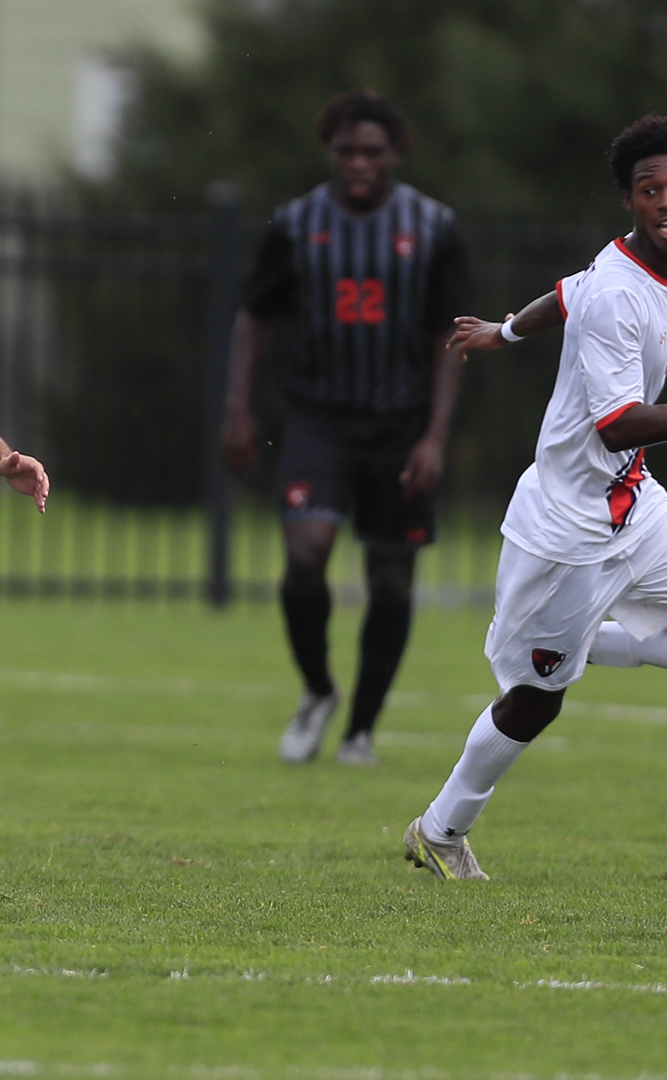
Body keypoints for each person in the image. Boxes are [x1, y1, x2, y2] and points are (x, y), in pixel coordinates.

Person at [404, 114, 667, 880]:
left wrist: (503, 333)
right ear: (629, 200)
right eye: (650, 190)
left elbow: (565, 292)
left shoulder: (660, 261)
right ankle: (441, 830)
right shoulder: (620, 292)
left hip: (635, 507)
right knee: (535, 699)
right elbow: (617, 426)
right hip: (567, 530)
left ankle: (589, 638)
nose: (666, 201)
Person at [222, 90, 471, 766]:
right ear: (330, 153)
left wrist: (434, 437)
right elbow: (255, 315)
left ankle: (361, 729)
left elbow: (448, 336)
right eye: (346, 151)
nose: (358, 162)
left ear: (395, 154)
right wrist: (238, 407)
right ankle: (318, 689)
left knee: (390, 579)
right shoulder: (298, 223)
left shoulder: (433, 226)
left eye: (371, 152)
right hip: (320, 418)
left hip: (401, 425)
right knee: (306, 556)